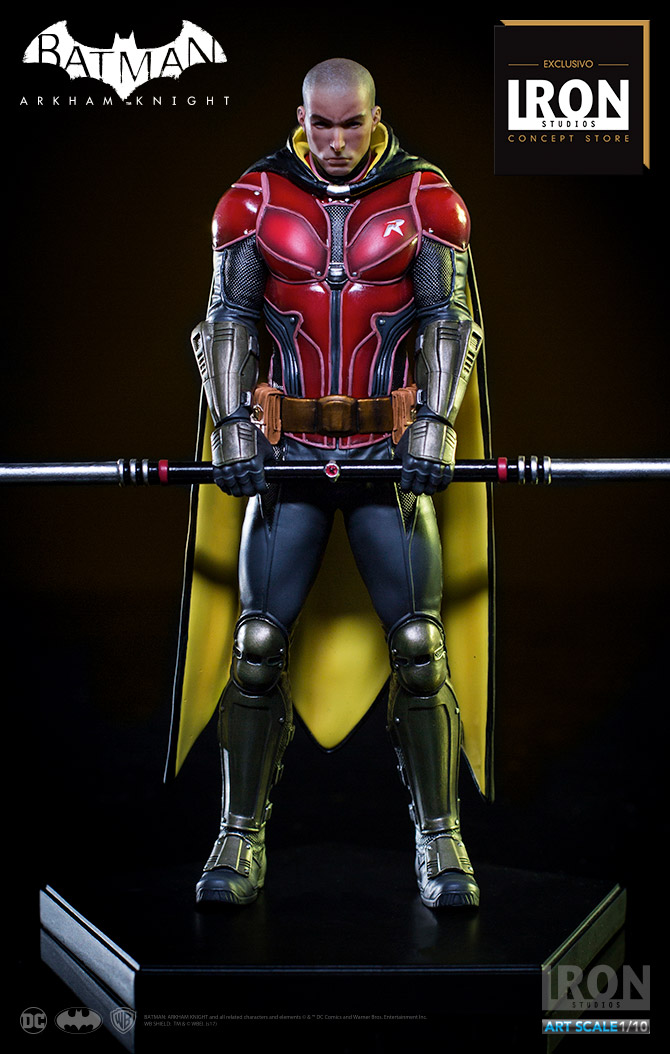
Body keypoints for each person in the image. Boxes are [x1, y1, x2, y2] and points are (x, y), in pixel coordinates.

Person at [186, 58, 486, 909]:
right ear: (301, 117)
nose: (337, 141)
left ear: (376, 118)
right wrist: (232, 421)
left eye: (353, 124)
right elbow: (228, 319)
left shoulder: (427, 199)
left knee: (420, 649)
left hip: (386, 458)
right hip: (290, 460)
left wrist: (436, 421)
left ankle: (441, 839)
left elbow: (448, 318)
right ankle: (238, 835)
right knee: (255, 648)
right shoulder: (254, 200)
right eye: (322, 124)